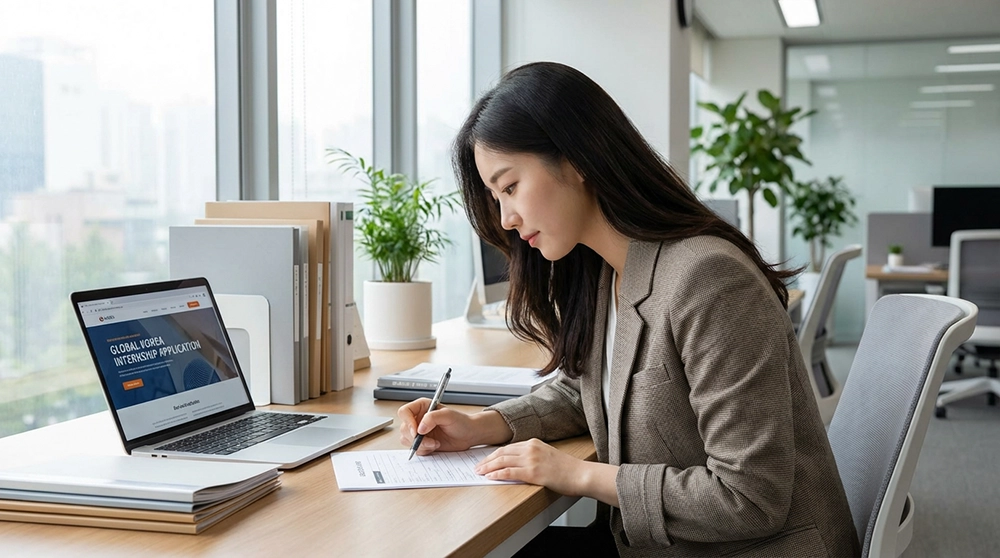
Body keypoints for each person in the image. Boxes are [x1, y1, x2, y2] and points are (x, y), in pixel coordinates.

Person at [397, 61, 860, 557]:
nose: (507, 219)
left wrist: (577, 473)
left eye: (509, 187)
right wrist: (482, 426)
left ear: (575, 160)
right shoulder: (607, 272)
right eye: (496, 197)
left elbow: (749, 497)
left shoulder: (708, 279)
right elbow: (593, 390)